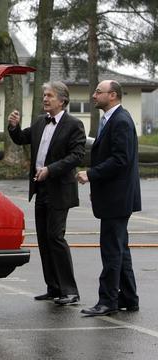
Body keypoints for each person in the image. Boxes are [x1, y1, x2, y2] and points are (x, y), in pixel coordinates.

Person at [8, 81, 86, 305]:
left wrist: (50, 170)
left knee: (55, 237)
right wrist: (13, 127)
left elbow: (77, 156)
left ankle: (70, 291)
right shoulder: (41, 121)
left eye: (49, 95)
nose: (45, 99)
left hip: (60, 190)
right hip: (40, 189)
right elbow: (22, 138)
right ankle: (53, 288)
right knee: (43, 239)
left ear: (62, 100)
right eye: (44, 95)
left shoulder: (74, 124)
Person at [77, 80, 141, 316]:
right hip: (115, 197)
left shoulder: (120, 121)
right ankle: (129, 298)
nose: (94, 96)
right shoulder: (111, 120)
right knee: (120, 249)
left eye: (98, 92)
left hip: (117, 199)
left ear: (112, 95)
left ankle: (108, 301)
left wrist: (91, 174)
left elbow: (120, 159)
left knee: (111, 250)